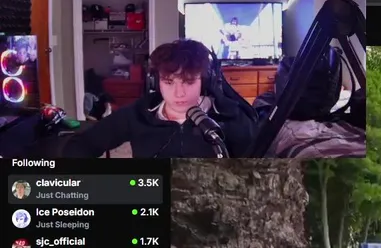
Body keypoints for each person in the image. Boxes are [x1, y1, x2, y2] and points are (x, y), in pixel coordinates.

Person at [61, 39, 257, 159]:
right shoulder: (138, 113)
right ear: (156, 82)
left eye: (188, 82)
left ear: (204, 81)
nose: (179, 93)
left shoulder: (230, 118)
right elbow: (84, 144)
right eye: (169, 82)